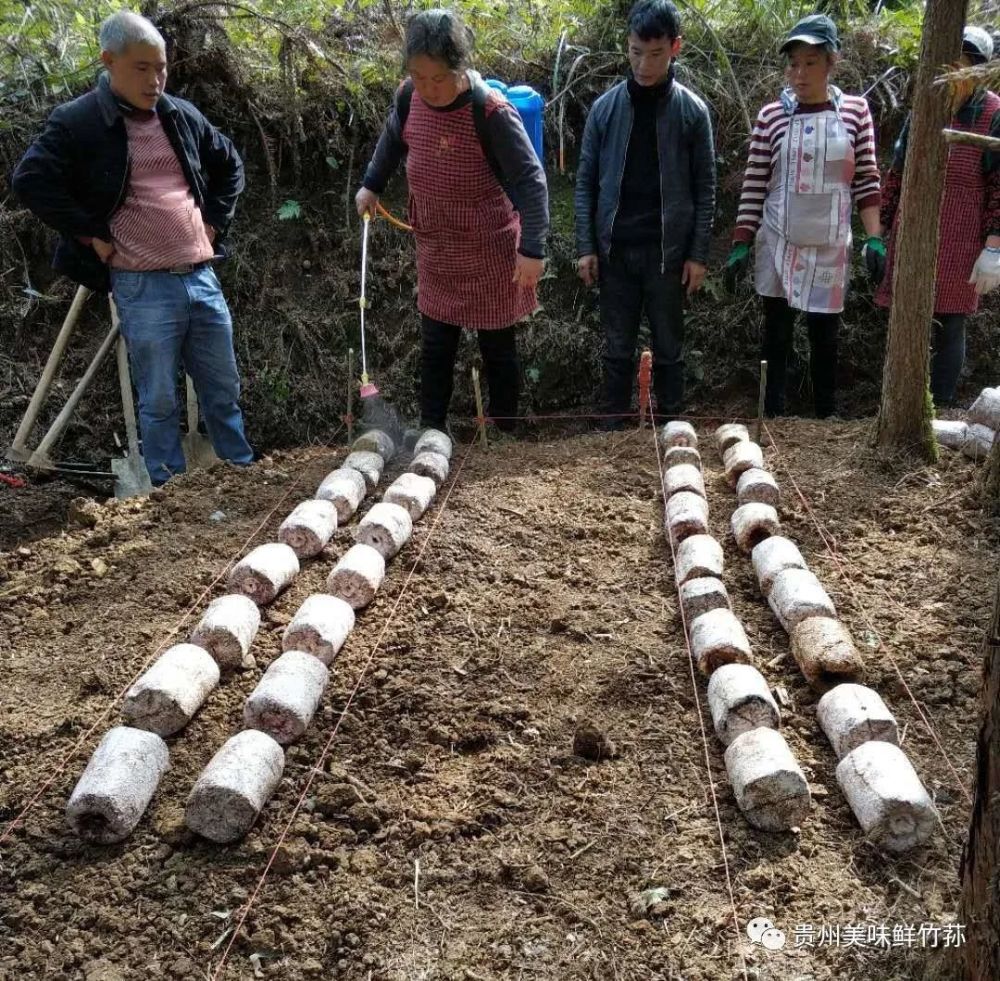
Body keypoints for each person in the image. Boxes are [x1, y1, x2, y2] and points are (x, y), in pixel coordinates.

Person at [12, 10, 252, 487]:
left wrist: (213, 223)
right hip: (142, 285)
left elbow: (230, 164)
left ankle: (241, 475)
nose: (155, 79)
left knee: (223, 388)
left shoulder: (179, 115)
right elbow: (30, 180)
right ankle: (169, 489)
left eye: (161, 67)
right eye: (141, 68)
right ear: (109, 61)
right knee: (159, 397)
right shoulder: (79, 121)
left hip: (200, 275)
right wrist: (89, 232)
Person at [356, 8, 548, 434]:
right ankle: (432, 428)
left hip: (490, 250)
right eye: (419, 77)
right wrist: (372, 184)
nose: (429, 88)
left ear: (460, 67)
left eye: (438, 79)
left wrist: (532, 249)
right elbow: (391, 140)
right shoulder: (410, 98)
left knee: (497, 345)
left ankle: (505, 429)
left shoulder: (491, 113)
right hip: (438, 247)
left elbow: (530, 181)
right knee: (436, 344)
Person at [724, 13, 882, 418]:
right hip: (779, 238)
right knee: (775, 331)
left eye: (811, 63)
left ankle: (825, 416)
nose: (800, 73)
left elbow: (865, 178)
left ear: (832, 63)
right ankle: (772, 413)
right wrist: (740, 244)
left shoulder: (856, 113)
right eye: (794, 63)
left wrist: (874, 238)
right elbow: (755, 182)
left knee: (824, 333)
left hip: (830, 242)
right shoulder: (770, 117)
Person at [575, 0, 715, 427]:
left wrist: (697, 254)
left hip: (667, 253)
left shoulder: (692, 112)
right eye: (636, 52)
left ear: (675, 47)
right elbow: (585, 182)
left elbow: (705, 188)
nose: (644, 63)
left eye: (655, 54)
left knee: (670, 346)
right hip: (615, 249)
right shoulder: (605, 109)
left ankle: (673, 425)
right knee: (616, 346)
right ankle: (612, 425)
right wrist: (586, 246)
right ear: (627, 45)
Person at [876, 26, 1000, 406]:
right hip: (913, 227)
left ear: (978, 72)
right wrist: (879, 232)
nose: (954, 74)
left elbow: (998, 185)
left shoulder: (994, 114)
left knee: (949, 323)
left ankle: (940, 403)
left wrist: (994, 247)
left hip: (962, 233)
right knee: (906, 320)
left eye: (964, 65)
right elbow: (897, 173)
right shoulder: (924, 109)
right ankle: (899, 403)